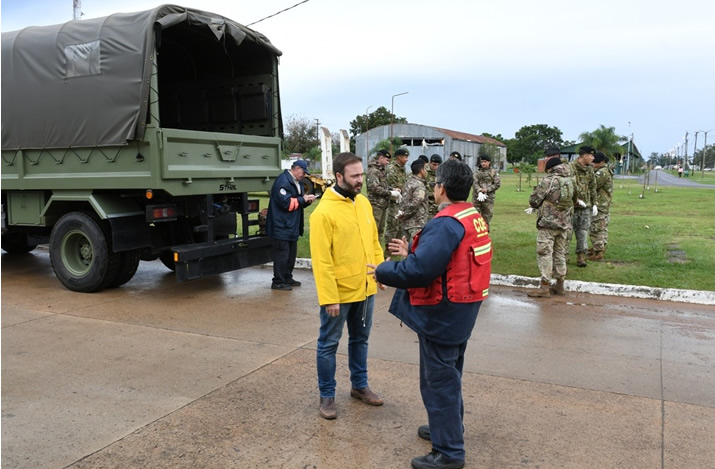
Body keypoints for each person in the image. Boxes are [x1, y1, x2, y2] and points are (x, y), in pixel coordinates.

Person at [371, 159, 492, 469]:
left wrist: (385, 270)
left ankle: (449, 452)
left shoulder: (445, 222)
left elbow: (421, 271)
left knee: (439, 382)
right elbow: (448, 261)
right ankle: (449, 427)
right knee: (450, 375)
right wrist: (412, 253)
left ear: (440, 188)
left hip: (444, 314)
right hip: (462, 310)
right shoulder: (471, 216)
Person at [310, 152, 385, 420]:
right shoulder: (323, 213)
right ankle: (327, 396)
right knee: (328, 344)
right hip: (338, 295)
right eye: (354, 176)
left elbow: (373, 241)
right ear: (339, 176)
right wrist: (329, 298)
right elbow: (321, 261)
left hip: (365, 290)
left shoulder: (363, 203)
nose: (360, 180)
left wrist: (381, 271)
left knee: (360, 340)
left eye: (361, 174)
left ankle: (359, 386)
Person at [525, 157, 575, 297]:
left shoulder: (548, 181)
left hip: (548, 223)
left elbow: (534, 200)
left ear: (550, 168)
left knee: (545, 253)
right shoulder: (570, 180)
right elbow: (575, 199)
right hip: (564, 223)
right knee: (560, 253)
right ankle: (560, 285)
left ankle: (545, 286)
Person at [265, 159, 316, 290]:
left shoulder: (296, 182)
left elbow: (296, 204)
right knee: (282, 255)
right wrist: (302, 199)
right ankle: (278, 281)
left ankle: (287, 277)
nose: (304, 176)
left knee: (290, 254)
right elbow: (286, 203)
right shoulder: (283, 181)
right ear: (297, 168)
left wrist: (306, 201)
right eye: (303, 172)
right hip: (281, 226)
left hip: (291, 226)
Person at [568, 146, 597, 267]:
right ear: (584, 156)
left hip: (585, 207)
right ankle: (563, 257)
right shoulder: (570, 168)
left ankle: (581, 256)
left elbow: (592, 187)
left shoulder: (590, 169)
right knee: (566, 233)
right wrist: (575, 199)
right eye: (591, 156)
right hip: (571, 206)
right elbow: (567, 185)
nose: (593, 158)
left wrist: (594, 203)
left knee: (583, 232)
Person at [367, 149, 399, 241]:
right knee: (374, 230)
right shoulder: (373, 171)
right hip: (376, 205)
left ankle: (378, 252)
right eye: (387, 160)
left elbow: (383, 185)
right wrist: (390, 193)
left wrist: (392, 189)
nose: (388, 163)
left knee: (380, 231)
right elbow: (374, 188)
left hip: (382, 205)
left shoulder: (381, 170)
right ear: (380, 158)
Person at [588, 152, 614, 261]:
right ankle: (598, 248)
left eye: (594, 162)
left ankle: (598, 252)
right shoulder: (604, 170)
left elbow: (592, 185)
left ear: (601, 162)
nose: (593, 164)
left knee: (596, 228)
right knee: (601, 227)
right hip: (603, 204)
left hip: (600, 204)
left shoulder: (602, 173)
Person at [384, 148, 410, 251]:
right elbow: (391, 185)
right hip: (394, 201)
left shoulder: (402, 168)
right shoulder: (391, 169)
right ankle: (388, 249)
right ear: (399, 157)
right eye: (405, 157)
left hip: (401, 201)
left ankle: (397, 248)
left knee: (400, 226)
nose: (407, 159)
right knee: (392, 226)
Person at [399, 159, 430, 240]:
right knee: (415, 249)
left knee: (406, 250)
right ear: (421, 170)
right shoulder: (420, 185)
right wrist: (405, 215)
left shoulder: (408, 182)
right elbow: (416, 203)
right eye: (425, 169)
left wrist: (403, 215)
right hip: (417, 224)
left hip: (406, 224)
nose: (427, 171)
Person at [472, 154, 501, 229]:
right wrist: (479, 190)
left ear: (489, 162)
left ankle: (485, 234)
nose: (483, 163)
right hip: (477, 198)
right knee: (475, 217)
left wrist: (487, 190)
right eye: (482, 162)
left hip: (488, 198)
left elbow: (497, 184)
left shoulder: (493, 172)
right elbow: (474, 182)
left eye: (485, 161)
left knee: (486, 218)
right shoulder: (477, 172)